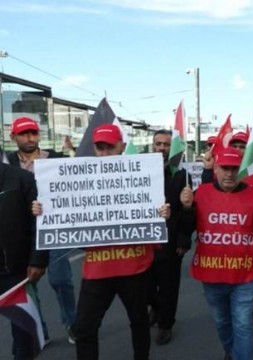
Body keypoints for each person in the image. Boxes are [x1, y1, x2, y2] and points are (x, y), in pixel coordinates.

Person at [33, 124, 177, 360]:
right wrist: (44, 211)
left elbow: (158, 214)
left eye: (109, 147)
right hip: (97, 269)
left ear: (121, 147)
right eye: (100, 148)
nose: (104, 153)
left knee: (139, 323)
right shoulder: (81, 179)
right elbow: (66, 217)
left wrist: (162, 214)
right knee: (84, 328)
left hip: (134, 266)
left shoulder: (141, 174)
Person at [191, 147, 253, 360]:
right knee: (222, 322)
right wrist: (185, 208)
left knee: (243, 324)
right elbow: (185, 229)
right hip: (211, 274)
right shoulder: (200, 193)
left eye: (234, 168)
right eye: (224, 168)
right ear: (216, 170)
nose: (229, 173)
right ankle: (231, 351)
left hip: (245, 275)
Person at [8, 116, 76, 344]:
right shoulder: (7, 164)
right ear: (13, 137)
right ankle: (39, 331)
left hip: (54, 230)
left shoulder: (55, 159)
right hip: (22, 235)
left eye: (33, 133)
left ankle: (71, 323)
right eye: (24, 134)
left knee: (60, 280)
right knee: (27, 286)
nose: (29, 138)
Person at [0, 146, 48, 360]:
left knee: (23, 329)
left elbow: (38, 222)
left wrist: (38, 260)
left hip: (15, 271)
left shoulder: (22, 179)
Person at [148, 130, 195, 345]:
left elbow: (190, 211)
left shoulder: (182, 176)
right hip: (144, 241)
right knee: (145, 287)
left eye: (166, 145)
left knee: (168, 287)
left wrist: (184, 237)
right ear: (152, 145)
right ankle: (156, 307)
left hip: (170, 240)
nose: (161, 148)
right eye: (158, 144)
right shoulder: (140, 173)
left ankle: (166, 324)